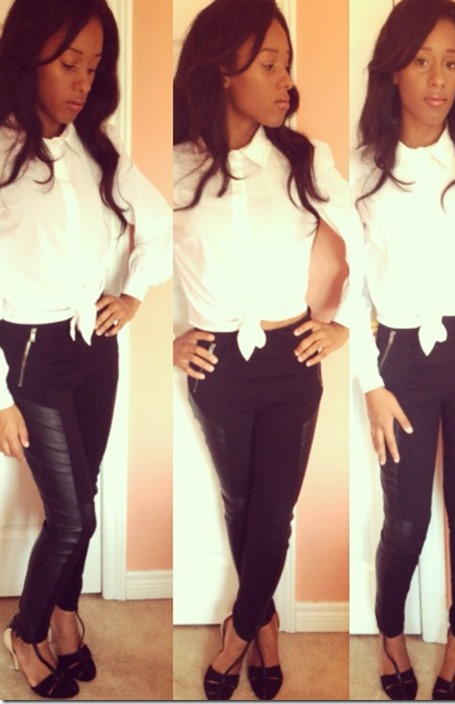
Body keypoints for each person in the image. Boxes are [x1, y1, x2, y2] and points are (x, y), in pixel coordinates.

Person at [172, 0, 358, 699]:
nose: (287, 81)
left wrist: (344, 322)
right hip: (215, 364)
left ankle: (239, 631)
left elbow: (373, 244)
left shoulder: (305, 159)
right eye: (270, 65)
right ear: (223, 72)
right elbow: (126, 251)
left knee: (273, 513)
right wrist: (167, 335)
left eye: (288, 65)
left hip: (291, 361)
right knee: (241, 503)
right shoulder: (175, 166)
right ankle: (266, 620)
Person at [351, 0, 455, 699]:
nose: (437, 78)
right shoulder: (361, 172)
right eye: (421, 60)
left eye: (451, 63)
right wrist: (370, 385)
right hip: (400, 364)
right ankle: (390, 634)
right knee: (405, 519)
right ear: (393, 69)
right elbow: (353, 294)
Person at [0, 0, 171, 699]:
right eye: (69, 62)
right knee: (71, 518)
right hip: (29, 354)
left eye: (94, 67)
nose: (82, 82)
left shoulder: (98, 149)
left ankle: (66, 616)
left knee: (85, 498)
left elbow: (158, 223)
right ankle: (26, 632)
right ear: (27, 57)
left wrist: (132, 294)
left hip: (94, 347)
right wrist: (0, 396)